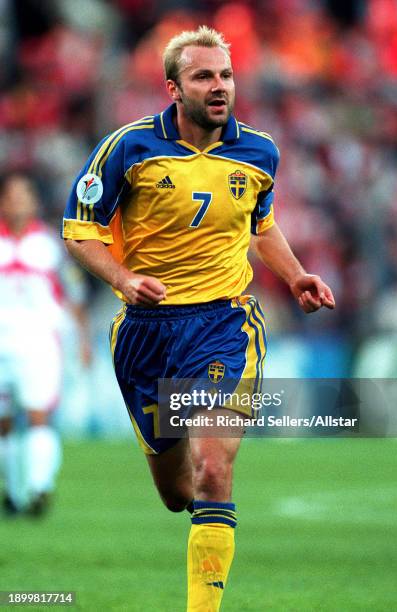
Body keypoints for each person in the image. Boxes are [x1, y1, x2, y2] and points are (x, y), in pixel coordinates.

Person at [62, 26, 335, 611]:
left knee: (214, 471)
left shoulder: (259, 151)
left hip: (224, 327)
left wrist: (295, 276)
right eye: (204, 77)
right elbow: (79, 229)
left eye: (226, 76)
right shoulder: (128, 148)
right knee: (178, 491)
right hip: (145, 334)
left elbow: (259, 224)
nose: (220, 88)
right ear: (172, 87)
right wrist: (123, 278)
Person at [0, 171, 90, 517]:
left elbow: (75, 293)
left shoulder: (52, 245)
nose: (16, 202)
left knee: (38, 415)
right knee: (4, 421)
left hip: (39, 343)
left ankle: (39, 489)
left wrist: (83, 340)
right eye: (10, 195)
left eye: (23, 195)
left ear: (34, 202)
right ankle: (10, 492)